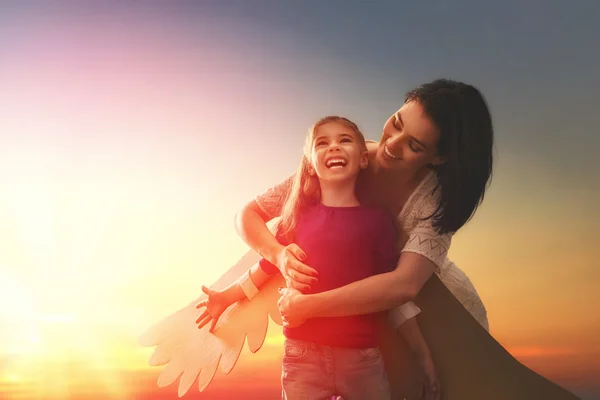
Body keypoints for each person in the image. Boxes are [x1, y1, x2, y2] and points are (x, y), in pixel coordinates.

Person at [140, 79, 580, 400]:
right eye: (395, 124)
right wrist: (273, 258)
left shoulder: (433, 205)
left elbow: (402, 286)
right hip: (339, 326)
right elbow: (260, 219)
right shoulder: (344, 156)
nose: (391, 145)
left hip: (422, 304)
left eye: (414, 146)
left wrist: (308, 305)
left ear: (439, 157)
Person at [195, 116, 432, 400]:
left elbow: (391, 295)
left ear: (363, 159)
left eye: (345, 140)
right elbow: (265, 268)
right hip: (302, 357)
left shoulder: (378, 222)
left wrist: (421, 353)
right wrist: (227, 296)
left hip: (361, 358)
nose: (334, 147)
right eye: (323, 143)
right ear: (309, 163)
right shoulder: (296, 220)